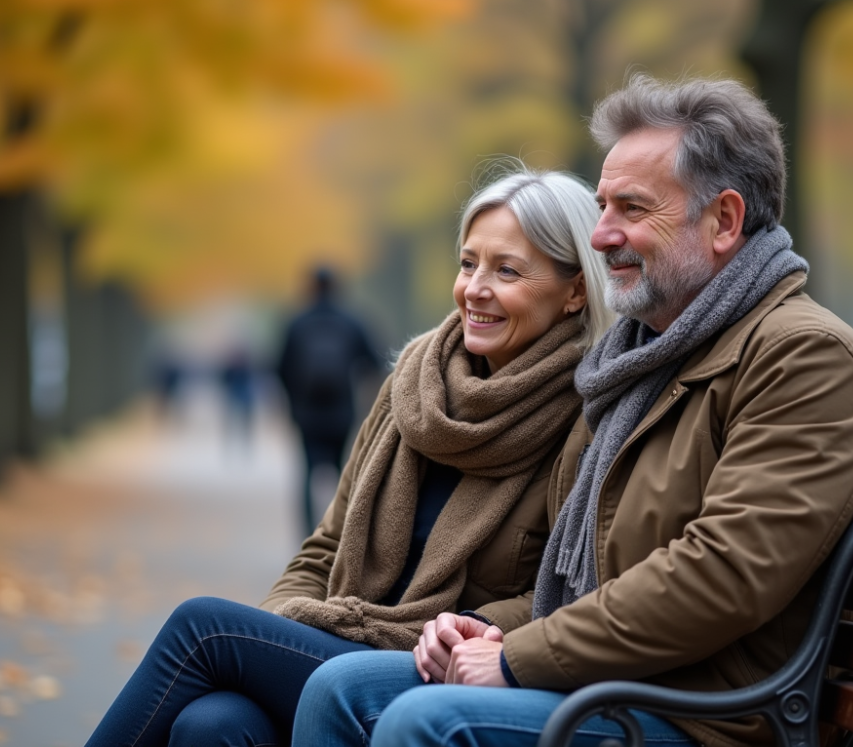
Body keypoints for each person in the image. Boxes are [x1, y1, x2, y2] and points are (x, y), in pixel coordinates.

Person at [292, 74, 853, 747]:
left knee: (424, 720)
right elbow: (579, 575)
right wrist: (492, 628)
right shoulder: (639, 361)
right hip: (620, 684)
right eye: (603, 205)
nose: (602, 234)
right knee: (337, 685)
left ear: (724, 220)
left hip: (705, 715)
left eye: (632, 210)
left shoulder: (804, 358)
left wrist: (514, 658)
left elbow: (720, 575)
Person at [83, 165, 615, 747]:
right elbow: (325, 548)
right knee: (211, 725)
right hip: (343, 637)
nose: (475, 288)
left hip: (443, 668)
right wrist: (286, 621)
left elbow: (571, 591)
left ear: (576, 291)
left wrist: (481, 633)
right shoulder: (413, 386)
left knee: (203, 628)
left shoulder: (591, 418)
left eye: (506, 270)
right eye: (468, 264)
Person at [277, 266, 383, 537]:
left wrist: (291, 405)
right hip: (341, 411)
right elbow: (374, 361)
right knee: (342, 474)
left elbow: (279, 367)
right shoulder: (350, 321)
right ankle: (340, 534)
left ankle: (305, 536)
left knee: (307, 473)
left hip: (306, 413)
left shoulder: (297, 322)